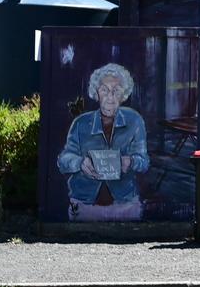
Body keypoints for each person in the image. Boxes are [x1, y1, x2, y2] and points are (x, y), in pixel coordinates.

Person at [57, 62, 151, 221]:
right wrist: (80, 163)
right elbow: (63, 161)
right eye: (104, 90)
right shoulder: (81, 123)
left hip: (125, 205)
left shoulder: (134, 120)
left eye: (116, 91)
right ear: (96, 93)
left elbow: (144, 162)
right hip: (84, 204)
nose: (110, 97)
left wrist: (131, 161)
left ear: (124, 95)